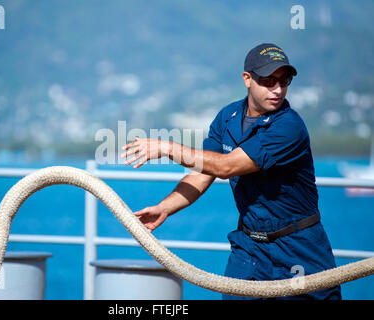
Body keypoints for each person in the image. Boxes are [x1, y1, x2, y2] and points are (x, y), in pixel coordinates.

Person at [120, 43, 341, 300]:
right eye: (269, 80)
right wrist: (165, 208)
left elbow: (226, 167)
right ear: (247, 79)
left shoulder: (289, 126)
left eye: (285, 80)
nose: (278, 89)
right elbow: (204, 172)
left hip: (297, 247)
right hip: (249, 247)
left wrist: (167, 147)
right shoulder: (228, 117)